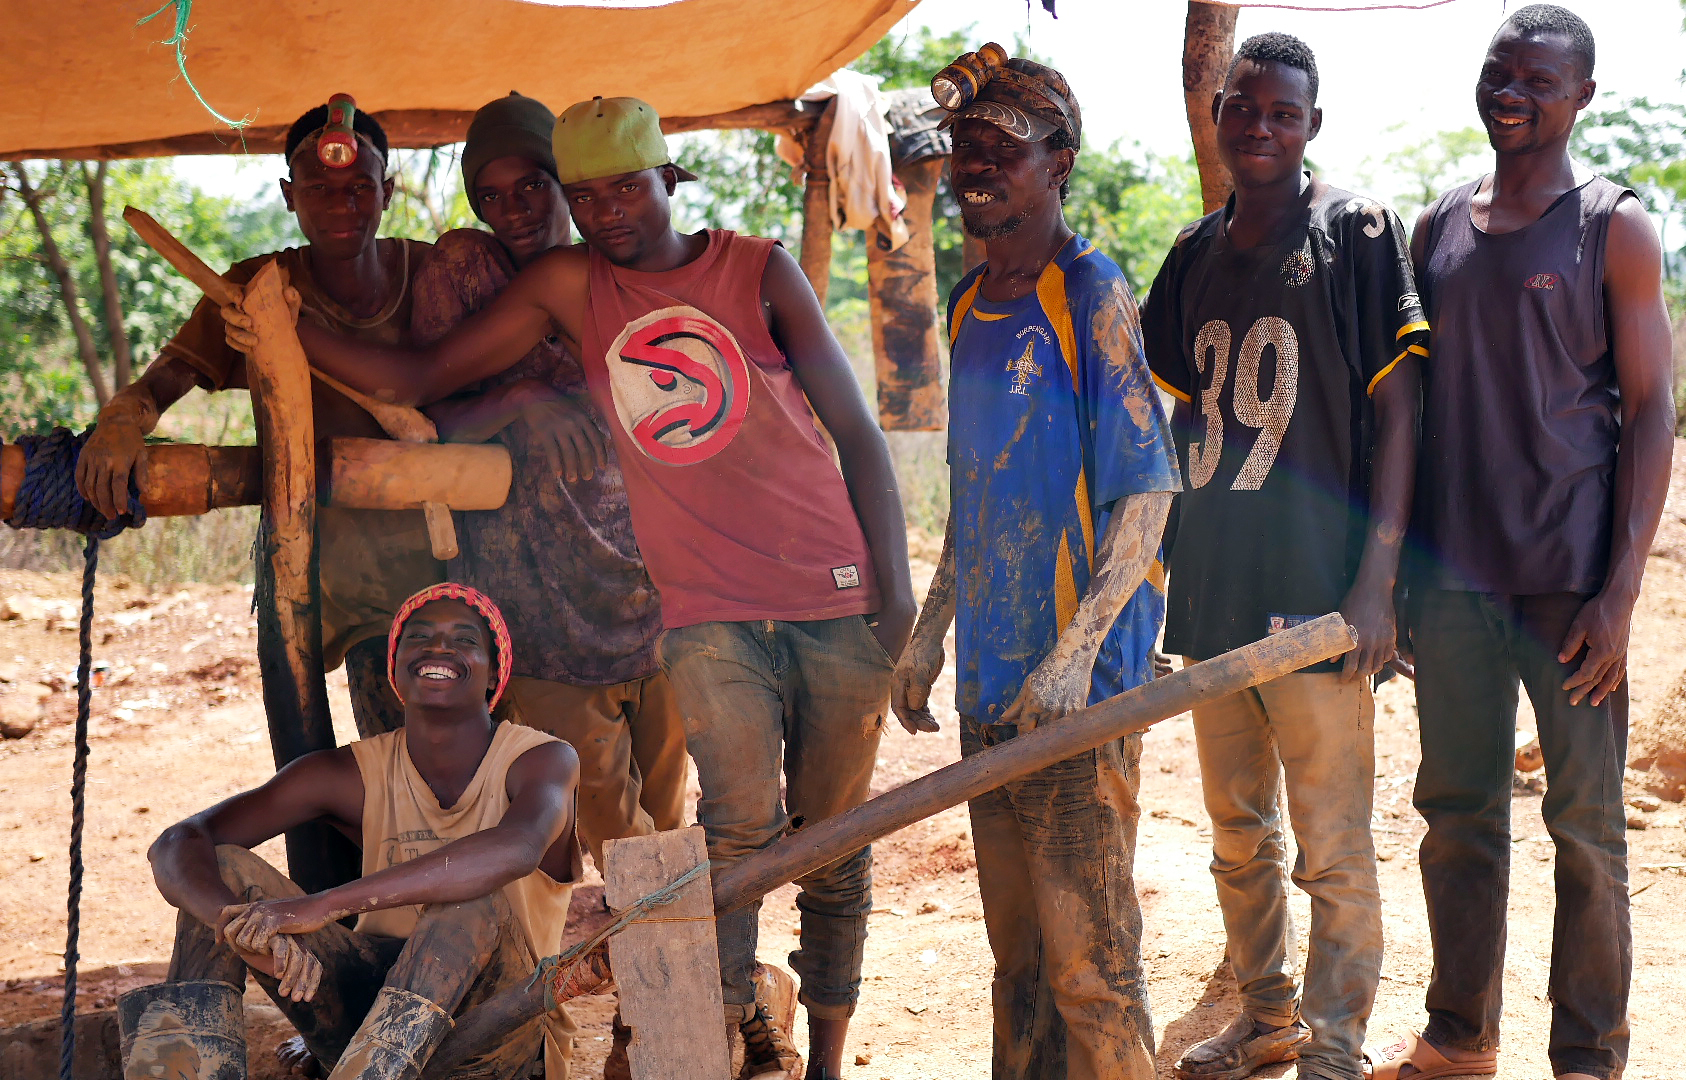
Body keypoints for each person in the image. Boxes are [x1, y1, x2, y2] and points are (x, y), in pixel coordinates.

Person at [223, 95, 916, 1080]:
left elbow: (853, 431)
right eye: (583, 195)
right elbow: (419, 371)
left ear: (667, 178)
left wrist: (892, 599)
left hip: (806, 591)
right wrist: (285, 330)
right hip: (687, 613)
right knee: (723, 838)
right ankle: (693, 1043)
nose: (603, 211)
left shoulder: (757, 268)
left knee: (830, 839)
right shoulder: (554, 283)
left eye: (618, 187)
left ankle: (813, 1054)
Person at [1374, 7, 1674, 1080]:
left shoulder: (1614, 227)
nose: (1514, 93)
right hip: (1453, 583)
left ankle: (1588, 1057)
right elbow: (1410, 406)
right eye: (1500, 74)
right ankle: (1460, 1038)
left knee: (1586, 831)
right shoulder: (1437, 227)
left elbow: (1650, 413)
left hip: (1570, 586)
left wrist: (1621, 594)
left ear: (1581, 97)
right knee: (1456, 816)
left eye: (1540, 80)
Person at [890, 50, 1178, 1080]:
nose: (977, 167)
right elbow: (977, 500)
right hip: (992, 685)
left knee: (1090, 963)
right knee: (1017, 961)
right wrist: (929, 637)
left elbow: (1147, 493)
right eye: (966, 149)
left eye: (1003, 150)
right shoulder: (969, 305)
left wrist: (1077, 653)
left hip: (1077, 694)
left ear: (1058, 163)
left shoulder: (1089, 292)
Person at [1142, 31, 1424, 1080]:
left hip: (1318, 598)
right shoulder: (1191, 255)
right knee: (1235, 834)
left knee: (1333, 846)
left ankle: (1335, 1048)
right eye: (1243, 108)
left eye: (1284, 113)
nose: (1261, 126)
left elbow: (1401, 413)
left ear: (1313, 126)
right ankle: (1265, 1021)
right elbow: (1168, 421)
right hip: (1217, 594)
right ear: (1217, 117)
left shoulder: (1353, 233)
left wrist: (1375, 583)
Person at [75, 98, 438, 739]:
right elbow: (162, 382)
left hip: (441, 563)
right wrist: (122, 421)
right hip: (309, 567)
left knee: (438, 753)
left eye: (359, 188)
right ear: (288, 196)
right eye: (318, 189)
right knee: (323, 752)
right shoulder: (255, 289)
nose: (341, 205)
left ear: (387, 190)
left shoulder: (433, 273)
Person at [129, 583, 582, 1080]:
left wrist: (323, 904)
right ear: (395, 667)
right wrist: (240, 927)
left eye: (465, 639)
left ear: (495, 670)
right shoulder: (350, 773)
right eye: (420, 637)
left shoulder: (541, 759)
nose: (439, 648)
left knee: (475, 899)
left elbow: (515, 849)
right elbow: (177, 843)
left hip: (497, 1031)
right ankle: (180, 1072)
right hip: (368, 1017)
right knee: (224, 873)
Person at [410, 92, 689, 859]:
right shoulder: (465, 270)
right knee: (612, 826)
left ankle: (681, 972)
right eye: (490, 194)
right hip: (543, 611)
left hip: (652, 590)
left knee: (669, 815)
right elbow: (424, 419)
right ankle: (670, 964)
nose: (515, 208)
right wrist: (519, 396)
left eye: (532, 184)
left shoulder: (619, 266)